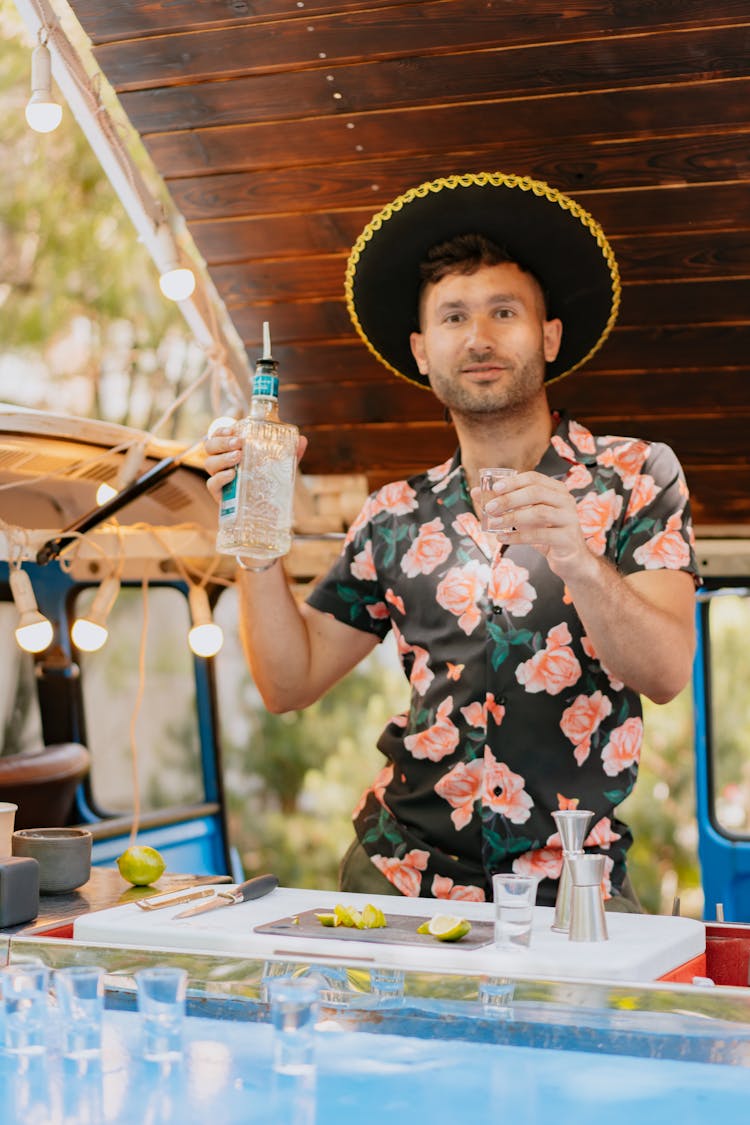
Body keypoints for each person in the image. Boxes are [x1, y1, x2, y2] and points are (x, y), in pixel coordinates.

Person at [204, 172, 700, 911]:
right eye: (453, 318)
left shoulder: (637, 476)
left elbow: (663, 671)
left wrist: (576, 557)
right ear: (421, 351)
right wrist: (256, 536)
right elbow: (287, 680)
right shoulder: (392, 513)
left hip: (574, 885)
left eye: (505, 312)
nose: (478, 337)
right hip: (398, 874)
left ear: (549, 336)